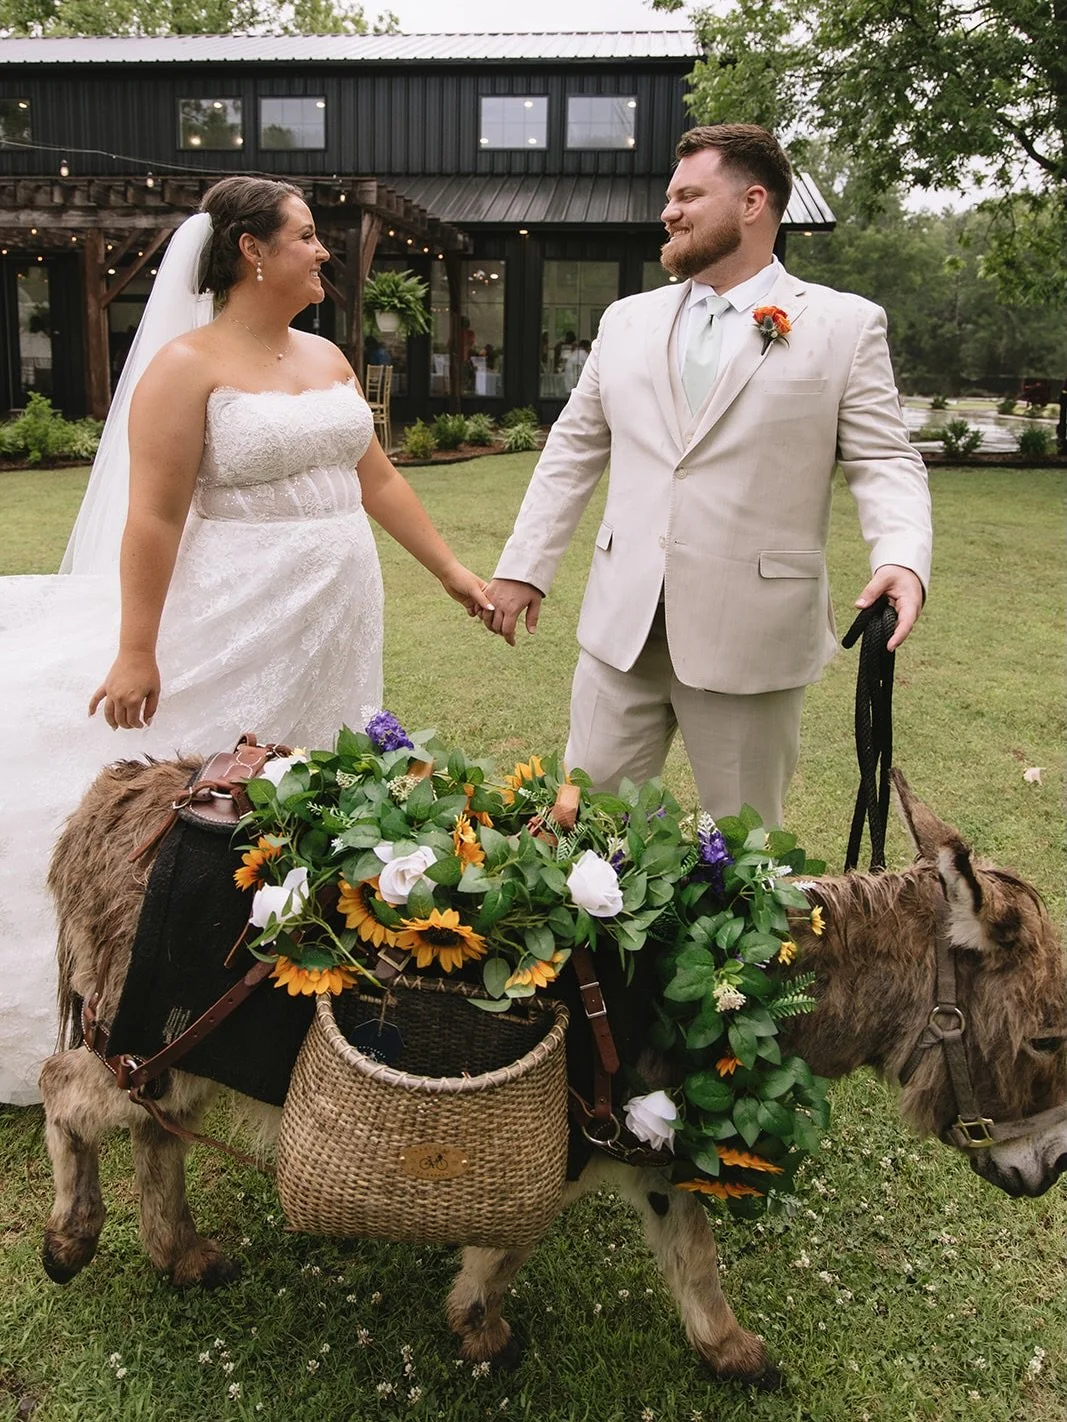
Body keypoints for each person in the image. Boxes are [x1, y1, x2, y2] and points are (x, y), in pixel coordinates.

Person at [0, 175, 490, 1105]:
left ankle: (284, 976)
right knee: (209, 790)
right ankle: (154, 977)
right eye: (306, 236)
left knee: (314, 777)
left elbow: (376, 480)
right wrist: (137, 648)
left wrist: (453, 574)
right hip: (239, 602)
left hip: (336, 604)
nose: (322, 252)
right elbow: (151, 517)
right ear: (252, 252)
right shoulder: (185, 367)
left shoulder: (330, 359)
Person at [482, 123, 931, 828]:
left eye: (689, 195)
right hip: (620, 629)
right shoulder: (624, 321)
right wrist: (524, 567)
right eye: (670, 196)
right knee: (584, 829)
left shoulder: (845, 326)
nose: (669, 210)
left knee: (748, 849)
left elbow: (882, 459)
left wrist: (901, 558)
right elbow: (572, 449)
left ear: (752, 203)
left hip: (751, 634)